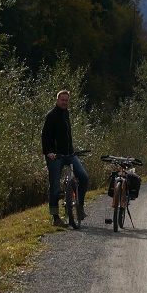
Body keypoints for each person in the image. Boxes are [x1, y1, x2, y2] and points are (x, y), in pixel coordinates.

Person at [42, 89, 88, 227]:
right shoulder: (51, 115)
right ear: (57, 100)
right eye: (62, 100)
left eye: (66, 100)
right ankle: (56, 217)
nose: (64, 102)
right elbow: (45, 135)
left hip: (69, 154)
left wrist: (72, 151)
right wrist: (48, 152)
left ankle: (79, 207)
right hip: (56, 156)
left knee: (84, 177)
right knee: (55, 186)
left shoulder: (66, 113)